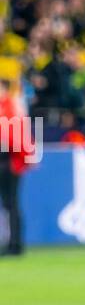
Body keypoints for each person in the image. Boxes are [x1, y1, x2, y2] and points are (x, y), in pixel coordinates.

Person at [0, 78, 33, 256]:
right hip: (7, 159)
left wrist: (25, 157)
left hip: (10, 160)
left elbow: (15, 136)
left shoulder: (11, 106)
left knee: (11, 203)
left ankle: (15, 244)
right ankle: (10, 242)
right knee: (8, 204)